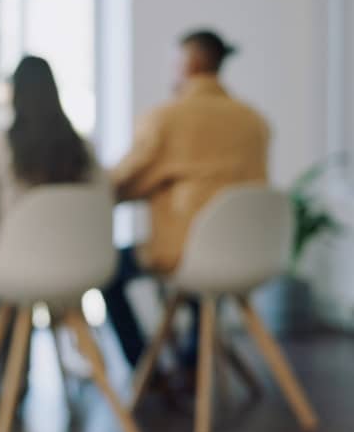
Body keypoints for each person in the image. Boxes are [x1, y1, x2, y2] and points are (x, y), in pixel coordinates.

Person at [102, 29, 270, 372]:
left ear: (190, 63)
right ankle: (194, 358)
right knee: (209, 249)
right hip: (248, 251)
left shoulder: (168, 118)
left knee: (108, 270)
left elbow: (124, 179)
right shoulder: (253, 120)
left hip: (185, 253)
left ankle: (145, 368)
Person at [0, 55, 105, 419]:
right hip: (79, 273)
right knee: (9, 288)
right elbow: (105, 202)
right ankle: (81, 372)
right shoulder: (84, 148)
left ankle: (5, 384)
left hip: (18, 274)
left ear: (14, 96)